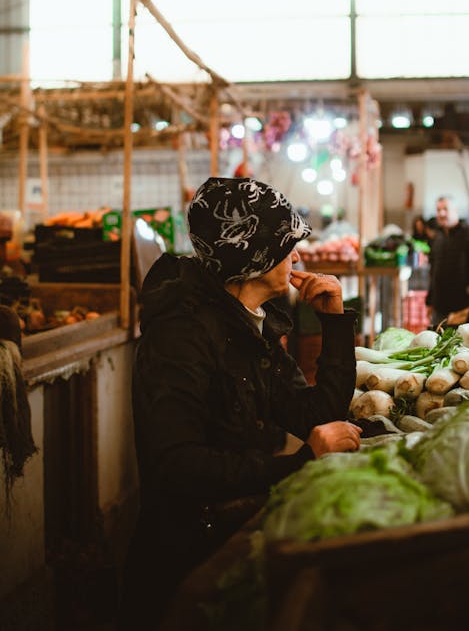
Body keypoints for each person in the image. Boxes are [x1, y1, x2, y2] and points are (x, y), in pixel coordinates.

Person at [117, 176, 362, 630]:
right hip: (182, 569)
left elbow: (316, 414)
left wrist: (333, 321)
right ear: (252, 255)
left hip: (232, 542)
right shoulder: (182, 337)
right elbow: (177, 466)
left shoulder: (253, 325)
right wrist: (300, 462)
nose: (296, 254)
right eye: (286, 243)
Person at [426, 195, 469, 326]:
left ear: (455, 210)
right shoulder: (438, 237)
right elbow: (433, 271)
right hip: (439, 307)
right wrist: (430, 302)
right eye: (438, 209)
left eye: (445, 209)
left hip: (464, 307)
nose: (441, 213)